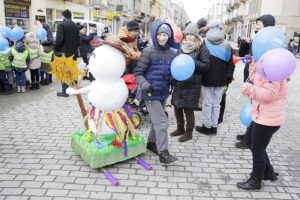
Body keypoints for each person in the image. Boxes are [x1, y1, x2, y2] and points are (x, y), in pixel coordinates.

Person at [237, 52, 288, 190]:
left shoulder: (273, 69)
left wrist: (250, 89)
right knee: (249, 142)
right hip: (261, 116)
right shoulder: (266, 65)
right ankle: (269, 172)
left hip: (268, 119)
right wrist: (253, 64)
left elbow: (269, 94)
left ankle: (256, 181)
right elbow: (256, 79)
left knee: (257, 149)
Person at [134, 22, 177, 165]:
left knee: (157, 121)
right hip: (150, 93)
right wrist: (145, 84)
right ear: (155, 35)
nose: (162, 38)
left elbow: (171, 73)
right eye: (159, 34)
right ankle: (163, 153)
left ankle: (152, 143)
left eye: (165, 35)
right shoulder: (148, 51)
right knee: (162, 122)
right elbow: (138, 73)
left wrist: (173, 80)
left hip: (164, 92)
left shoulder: (172, 53)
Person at [236, 14, 276, 149]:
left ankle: (249, 140)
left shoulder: (268, 41)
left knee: (257, 108)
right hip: (251, 75)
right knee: (253, 106)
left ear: (267, 25)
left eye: (258, 23)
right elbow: (245, 55)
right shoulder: (257, 38)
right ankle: (249, 134)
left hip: (259, 78)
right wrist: (245, 44)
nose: (256, 25)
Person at [170, 23, 210, 142]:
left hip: (192, 83)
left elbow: (206, 66)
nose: (189, 37)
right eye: (187, 34)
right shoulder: (181, 46)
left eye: (192, 35)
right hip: (179, 82)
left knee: (188, 109)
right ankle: (180, 128)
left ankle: (189, 133)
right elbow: (177, 62)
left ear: (196, 36)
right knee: (177, 107)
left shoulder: (202, 48)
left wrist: (191, 62)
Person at [195, 22, 234, 135]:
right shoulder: (227, 44)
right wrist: (228, 79)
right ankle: (214, 126)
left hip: (207, 76)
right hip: (221, 79)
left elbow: (199, 59)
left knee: (207, 103)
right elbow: (230, 64)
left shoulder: (204, 42)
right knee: (217, 104)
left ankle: (207, 127)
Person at [54, 9, 79, 97]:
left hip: (64, 53)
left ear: (63, 16)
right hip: (74, 53)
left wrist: (56, 50)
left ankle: (65, 91)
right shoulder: (76, 26)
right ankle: (74, 89)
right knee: (72, 71)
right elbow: (78, 41)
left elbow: (59, 40)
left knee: (64, 72)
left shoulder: (61, 24)